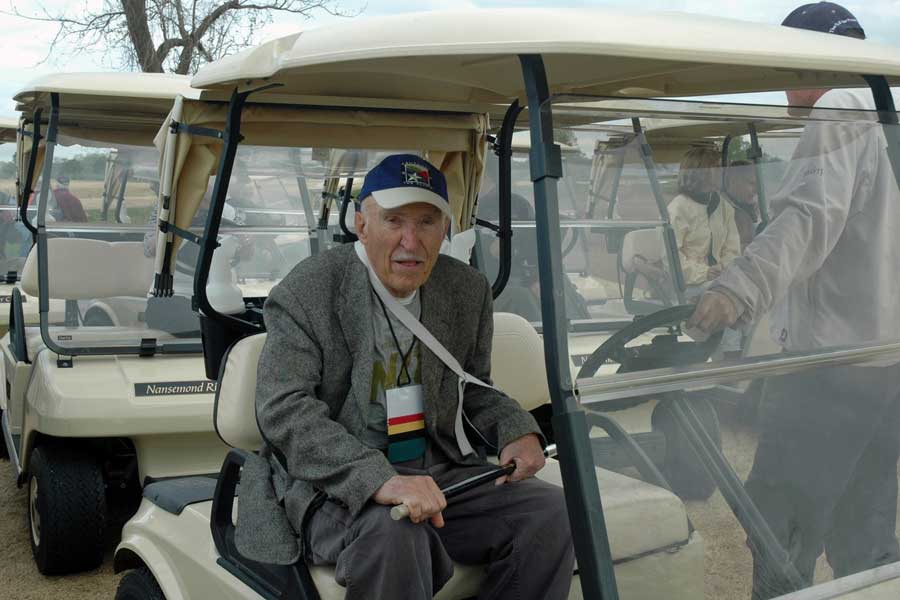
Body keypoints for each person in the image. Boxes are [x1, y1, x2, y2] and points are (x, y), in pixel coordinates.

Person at [235, 154, 574, 599]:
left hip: (435, 471)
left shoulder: (466, 290)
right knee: (397, 535)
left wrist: (515, 430)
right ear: (362, 225)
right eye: (393, 221)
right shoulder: (307, 291)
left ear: (445, 229)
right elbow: (285, 412)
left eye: (427, 222)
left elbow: (472, 388)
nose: (410, 241)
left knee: (552, 514)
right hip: (335, 481)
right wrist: (379, 479)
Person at [688, 4, 900, 598]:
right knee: (867, 528)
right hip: (888, 366)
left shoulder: (841, 111)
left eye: (787, 63)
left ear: (811, 58)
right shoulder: (892, 107)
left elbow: (805, 220)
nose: (783, 81)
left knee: (777, 519)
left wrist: (734, 290)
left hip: (829, 367)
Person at [667, 146, 741, 293]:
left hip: (720, 278)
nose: (722, 171)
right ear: (699, 172)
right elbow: (670, 257)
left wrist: (722, 267)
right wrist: (703, 273)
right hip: (687, 284)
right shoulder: (678, 208)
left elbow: (733, 249)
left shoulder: (723, 206)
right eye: (716, 167)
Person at [723, 160, 761, 252]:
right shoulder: (721, 211)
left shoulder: (754, 209)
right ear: (734, 182)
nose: (756, 190)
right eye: (751, 183)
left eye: (758, 185)